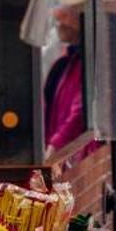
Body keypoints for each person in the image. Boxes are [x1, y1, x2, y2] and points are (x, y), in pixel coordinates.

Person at [43, 8, 84, 156]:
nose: (58, 23)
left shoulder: (85, 63)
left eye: (64, 16)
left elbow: (81, 111)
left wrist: (56, 144)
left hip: (78, 156)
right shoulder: (68, 63)